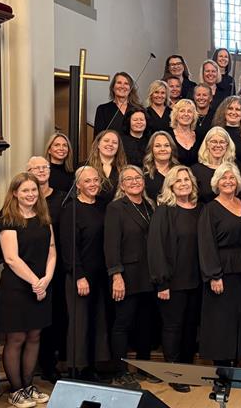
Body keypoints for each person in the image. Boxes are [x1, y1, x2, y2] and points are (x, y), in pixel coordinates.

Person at [0, 172, 55, 407]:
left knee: (34, 336)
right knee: (17, 337)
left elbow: (52, 250)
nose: (31, 194)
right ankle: (16, 389)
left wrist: (46, 279)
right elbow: (11, 258)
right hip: (17, 287)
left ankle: (29, 385)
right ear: (15, 193)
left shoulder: (43, 216)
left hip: (41, 285)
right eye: (25, 191)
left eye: (34, 190)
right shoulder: (8, 218)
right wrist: (35, 282)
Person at [148, 166, 203, 393]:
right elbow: (156, 248)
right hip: (172, 282)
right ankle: (173, 373)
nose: (183, 183)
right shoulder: (164, 211)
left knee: (190, 328)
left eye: (186, 179)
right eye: (178, 180)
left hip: (196, 281)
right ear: (170, 186)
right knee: (173, 327)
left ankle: (187, 370)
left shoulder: (200, 209)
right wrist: (162, 282)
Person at [104, 165, 155, 388]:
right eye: (129, 179)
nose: (134, 182)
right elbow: (111, 245)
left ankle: (144, 366)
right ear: (122, 185)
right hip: (126, 275)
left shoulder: (150, 205)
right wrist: (116, 276)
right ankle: (120, 371)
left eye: (138, 178)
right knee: (123, 324)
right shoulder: (116, 208)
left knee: (146, 322)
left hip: (148, 274)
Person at [59, 166, 111, 381]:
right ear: (78, 185)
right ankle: (78, 370)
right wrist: (79, 275)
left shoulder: (103, 205)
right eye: (87, 181)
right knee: (80, 324)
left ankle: (93, 367)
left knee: (97, 322)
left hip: (101, 275)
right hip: (80, 276)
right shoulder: (71, 209)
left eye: (96, 180)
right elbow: (68, 247)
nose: (93, 184)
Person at [198, 162, 241, 366]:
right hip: (221, 271)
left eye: (232, 177)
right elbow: (206, 244)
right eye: (223, 178)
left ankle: (236, 361)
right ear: (216, 183)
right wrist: (214, 275)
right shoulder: (210, 209)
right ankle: (221, 366)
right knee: (220, 320)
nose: (228, 181)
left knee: (238, 316)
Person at [26, 156, 67, 384]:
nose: (42, 171)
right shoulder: (23, 197)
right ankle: (29, 369)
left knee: (55, 318)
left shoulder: (62, 198)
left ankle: (50, 364)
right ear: (28, 171)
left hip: (57, 268)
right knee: (34, 322)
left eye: (45, 167)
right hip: (29, 270)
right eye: (37, 168)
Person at [212, 95, 241, 170]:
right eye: (230, 108)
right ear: (224, 111)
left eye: (238, 109)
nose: (233, 112)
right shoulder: (215, 131)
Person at [192, 126, 237, 203]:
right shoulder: (195, 170)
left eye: (222, 142)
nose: (218, 145)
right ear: (207, 144)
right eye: (214, 141)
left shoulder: (234, 169)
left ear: (227, 145)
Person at [86, 129, 127, 209]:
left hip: (117, 212)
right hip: (90, 211)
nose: (110, 144)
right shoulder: (85, 167)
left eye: (114, 142)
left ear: (118, 147)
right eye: (106, 141)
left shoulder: (125, 169)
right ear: (98, 144)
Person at [143, 130, 179, 201]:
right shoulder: (143, 174)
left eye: (166, 145)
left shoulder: (180, 171)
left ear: (171, 149)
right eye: (158, 146)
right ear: (151, 150)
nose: (163, 149)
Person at [170, 99, 200, 166]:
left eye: (189, 111)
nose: (186, 114)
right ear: (176, 115)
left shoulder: (200, 137)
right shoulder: (168, 137)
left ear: (194, 116)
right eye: (182, 111)